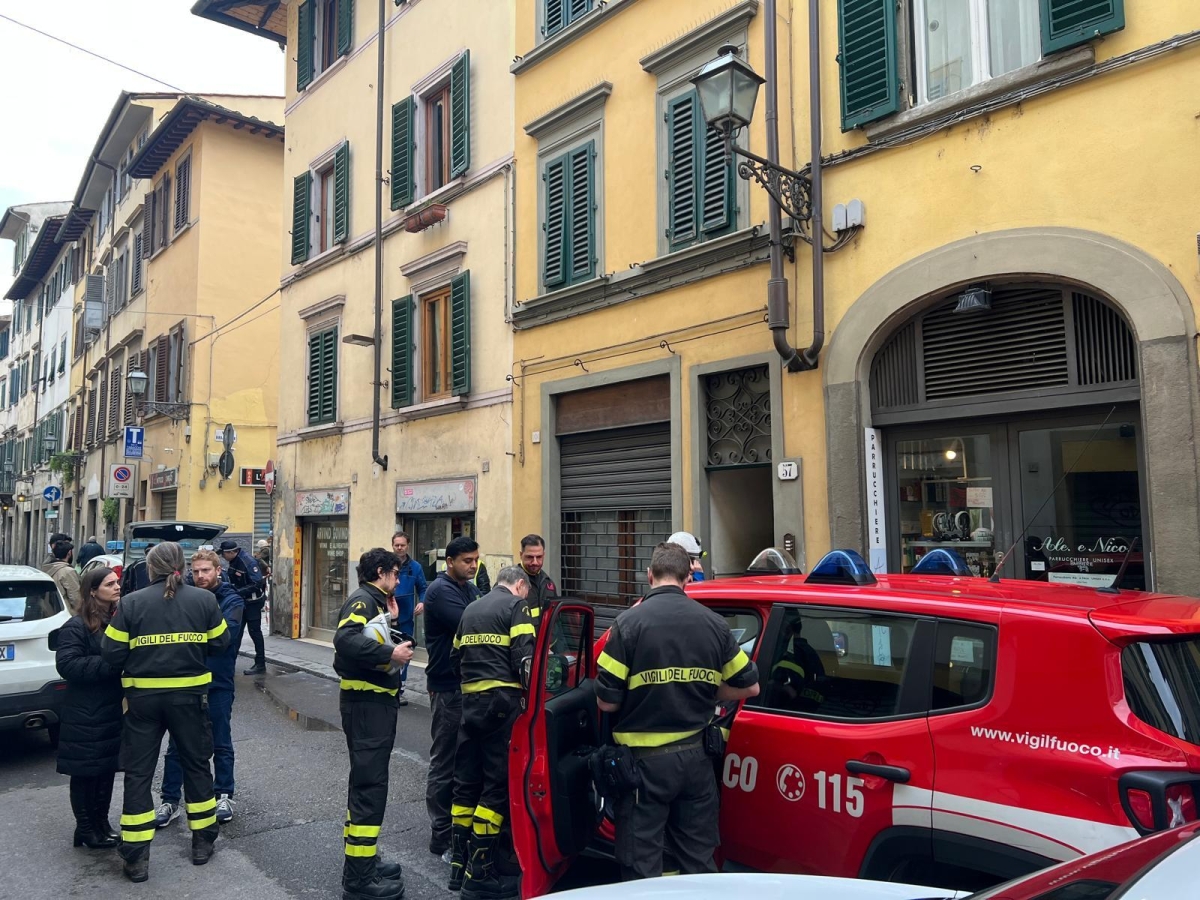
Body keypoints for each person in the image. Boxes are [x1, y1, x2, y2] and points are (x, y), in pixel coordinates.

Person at [595, 542, 760, 881]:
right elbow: (750, 686)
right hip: (696, 762)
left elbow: (606, 701)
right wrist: (705, 689)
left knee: (643, 868)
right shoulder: (714, 624)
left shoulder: (627, 625)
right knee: (699, 863)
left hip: (644, 767)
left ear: (649, 575)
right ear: (688, 578)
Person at [101, 542, 230, 883]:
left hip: (143, 701)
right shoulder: (204, 600)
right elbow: (221, 643)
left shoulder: (131, 602)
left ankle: (137, 856)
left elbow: (111, 652)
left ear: (150, 568)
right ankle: (202, 843)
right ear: (183, 567)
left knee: (139, 774)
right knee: (197, 766)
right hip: (189, 699)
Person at [447, 566, 534, 897]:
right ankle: (480, 872)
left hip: (470, 704)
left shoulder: (471, 608)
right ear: (520, 585)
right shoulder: (517, 607)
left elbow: (456, 658)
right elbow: (525, 661)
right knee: (497, 785)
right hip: (503, 703)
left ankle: (458, 866)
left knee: (466, 783)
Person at [333, 548, 414, 900]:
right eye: (395, 574)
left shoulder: (376, 601)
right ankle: (359, 878)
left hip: (372, 705)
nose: (397, 580)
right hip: (367, 707)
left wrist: (391, 625)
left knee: (367, 784)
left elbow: (366, 639)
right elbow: (345, 641)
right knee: (369, 788)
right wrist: (390, 655)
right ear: (381, 572)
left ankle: (364, 860)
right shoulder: (363, 600)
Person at [155, 549, 245, 829]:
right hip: (186, 680)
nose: (200, 576)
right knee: (176, 745)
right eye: (195, 571)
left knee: (221, 740)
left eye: (206, 570)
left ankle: (224, 795)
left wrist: (188, 636)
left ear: (219, 570)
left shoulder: (231, 599)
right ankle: (170, 800)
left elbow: (226, 636)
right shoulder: (185, 596)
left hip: (217, 682)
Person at [55, 566, 124, 850]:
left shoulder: (115, 620)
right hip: (85, 712)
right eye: (110, 584)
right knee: (85, 772)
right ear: (93, 591)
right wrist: (111, 664)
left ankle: (101, 823)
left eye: (117, 582)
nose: (117, 587)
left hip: (108, 709)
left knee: (105, 769)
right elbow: (67, 665)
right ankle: (85, 828)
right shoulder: (77, 625)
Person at [423, 536, 481, 858]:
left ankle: (461, 827)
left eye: (475, 560)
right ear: (450, 562)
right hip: (448, 688)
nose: (472, 565)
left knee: (465, 761)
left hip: (467, 686)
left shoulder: (468, 589)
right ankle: (440, 833)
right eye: (466, 561)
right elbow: (473, 622)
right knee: (444, 761)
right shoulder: (441, 591)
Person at [391, 531, 428, 708]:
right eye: (396, 545)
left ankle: (400, 690)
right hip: (387, 619)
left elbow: (423, 588)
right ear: (392, 546)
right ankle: (389, 688)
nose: (399, 548)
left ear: (408, 546)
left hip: (406, 619)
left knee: (404, 655)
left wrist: (423, 602)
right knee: (388, 652)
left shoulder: (416, 568)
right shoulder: (386, 565)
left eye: (402, 545)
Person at [219, 540, 267, 675]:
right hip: (242, 601)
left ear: (231, 552)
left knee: (255, 632)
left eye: (223, 554)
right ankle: (230, 664)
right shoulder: (235, 560)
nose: (222, 557)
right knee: (236, 633)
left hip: (252, 603)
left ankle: (260, 664)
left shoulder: (248, 562)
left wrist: (236, 592)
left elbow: (257, 582)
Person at [518, 534, 557, 627]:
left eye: (539, 557)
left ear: (544, 555)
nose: (535, 562)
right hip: (523, 641)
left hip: (544, 641)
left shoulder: (548, 583)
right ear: (521, 555)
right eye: (530, 557)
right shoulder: (510, 582)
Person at [43, 535, 82, 615]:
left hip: (51, 612)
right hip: (67, 615)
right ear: (69, 553)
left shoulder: (47, 567)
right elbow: (76, 598)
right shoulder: (68, 571)